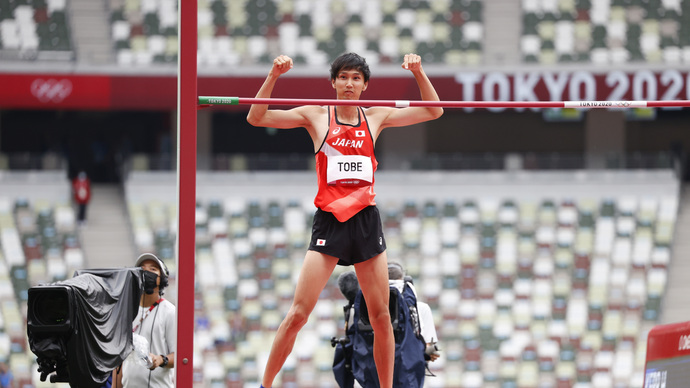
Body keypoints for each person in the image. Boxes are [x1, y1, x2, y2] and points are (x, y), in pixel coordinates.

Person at [246, 52, 442, 388]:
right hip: (330, 222)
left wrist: (419, 72)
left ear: (365, 85)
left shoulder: (376, 116)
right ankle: (264, 385)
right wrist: (274, 75)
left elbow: (434, 110)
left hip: (365, 222)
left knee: (382, 317)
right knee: (298, 314)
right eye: (343, 77)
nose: (349, 84)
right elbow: (257, 117)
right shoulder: (317, 116)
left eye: (355, 78)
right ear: (333, 82)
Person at [332, 262, 441, 388]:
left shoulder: (360, 305)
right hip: (407, 377)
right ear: (403, 279)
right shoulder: (420, 308)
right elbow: (430, 350)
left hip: (369, 377)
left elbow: (349, 344)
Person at [114, 253, 176, 388]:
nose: (147, 272)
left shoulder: (170, 312)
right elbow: (119, 361)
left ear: (162, 278)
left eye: (153, 269)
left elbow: (179, 356)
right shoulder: (125, 311)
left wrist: (161, 360)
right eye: (142, 269)